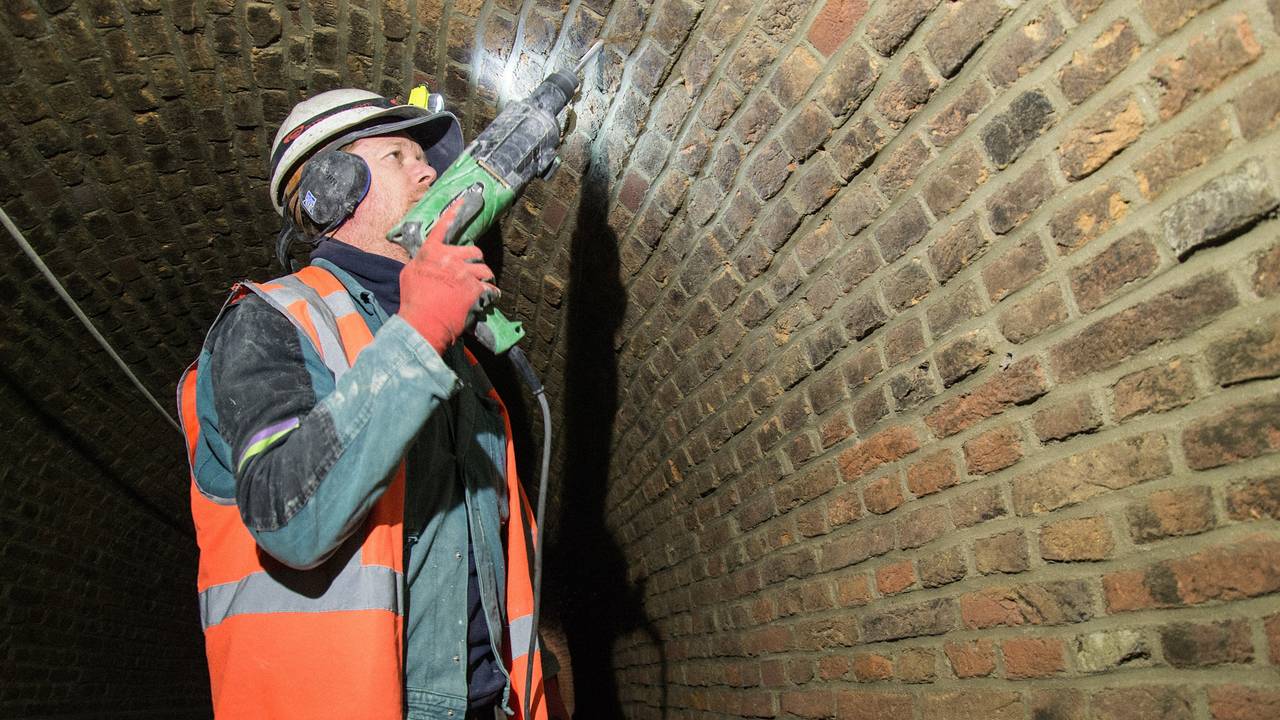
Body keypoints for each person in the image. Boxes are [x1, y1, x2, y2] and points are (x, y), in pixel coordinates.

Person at [177, 88, 565, 720]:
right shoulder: (271, 323)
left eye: (424, 159)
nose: (429, 172)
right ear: (334, 188)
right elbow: (287, 520)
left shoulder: (465, 369)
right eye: (398, 155)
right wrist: (417, 335)